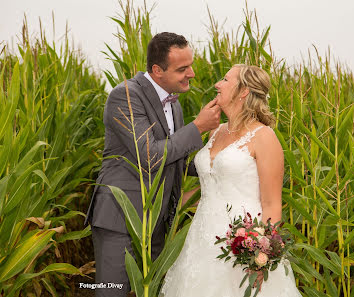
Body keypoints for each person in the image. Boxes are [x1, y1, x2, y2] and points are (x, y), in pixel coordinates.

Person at [84, 32, 221, 297]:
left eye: (190, 65)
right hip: (121, 219)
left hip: (157, 222)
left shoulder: (175, 105)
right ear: (157, 70)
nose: (191, 73)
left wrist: (220, 158)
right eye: (182, 69)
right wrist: (198, 127)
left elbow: (175, 162)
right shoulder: (124, 96)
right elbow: (150, 156)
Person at [160, 64, 301, 296]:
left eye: (225, 80)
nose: (217, 84)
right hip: (202, 240)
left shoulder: (264, 136)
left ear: (243, 91)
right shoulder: (216, 131)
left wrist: (261, 257)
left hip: (243, 242)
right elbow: (211, 187)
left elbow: (272, 204)